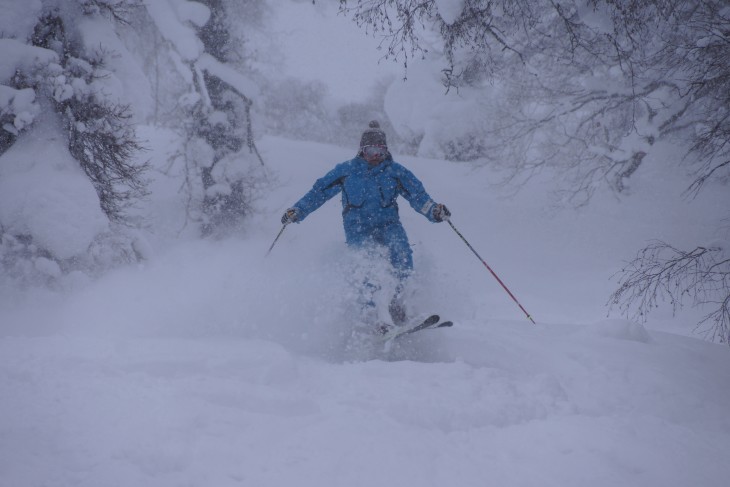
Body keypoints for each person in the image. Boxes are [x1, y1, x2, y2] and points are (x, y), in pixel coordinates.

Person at [281, 121, 450, 330]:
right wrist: (297, 211)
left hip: (389, 225)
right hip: (358, 229)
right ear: (362, 150)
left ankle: (400, 309)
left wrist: (434, 211)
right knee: (368, 267)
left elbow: (418, 196)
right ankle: (375, 317)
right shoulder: (346, 171)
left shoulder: (395, 172)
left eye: (381, 150)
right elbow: (318, 193)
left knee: (402, 256)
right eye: (371, 150)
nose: (376, 156)